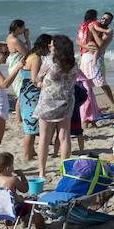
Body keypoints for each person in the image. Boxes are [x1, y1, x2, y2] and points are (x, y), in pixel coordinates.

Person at [32, 35, 77, 178]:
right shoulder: (73, 63)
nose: (50, 47)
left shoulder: (49, 62)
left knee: (44, 138)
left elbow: (37, 80)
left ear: (58, 48)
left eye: (52, 46)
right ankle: (64, 170)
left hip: (48, 103)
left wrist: (40, 84)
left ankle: (42, 171)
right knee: (64, 137)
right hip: (66, 101)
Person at [17, 34, 52, 163]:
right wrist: (45, 88)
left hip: (25, 92)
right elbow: (34, 79)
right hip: (31, 95)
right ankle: (27, 155)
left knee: (30, 126)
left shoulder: (29, 55)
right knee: (30, 128)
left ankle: (30, 152)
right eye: (49, 46)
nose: (49, 49)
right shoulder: (36, 58)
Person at [86, 11, 114, 111]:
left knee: (102, 83)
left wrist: (93, 31)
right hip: (89, 57)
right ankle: (91, 104)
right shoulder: (96, 26)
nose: (103, 20)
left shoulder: (109, 31)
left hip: (99, 58)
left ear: (110, 22)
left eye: (107, 19)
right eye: (103, 17)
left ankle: (113, 103)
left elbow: (100, 43)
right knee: (87, 82)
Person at [6, 19, 31, 98]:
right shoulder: (15, 40)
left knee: (20, 94)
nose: (24, 29)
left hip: (14, 66)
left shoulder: (10, 37)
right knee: (21, 94)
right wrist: (27, 37)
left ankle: (18, 110)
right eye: (23, 27)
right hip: (17, 67)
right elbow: (28, 54)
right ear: (18, 28)